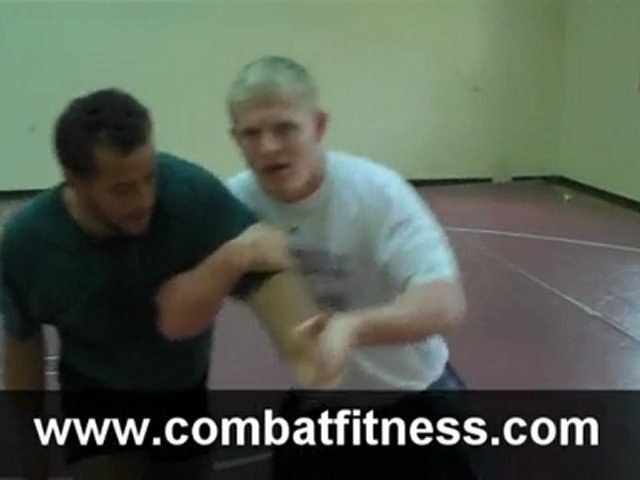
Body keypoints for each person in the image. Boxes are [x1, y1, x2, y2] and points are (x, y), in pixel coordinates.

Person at [0, 88, 337, 480]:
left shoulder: (188, 192)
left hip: (182, 393)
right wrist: (34, 468)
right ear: (74, 180)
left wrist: (301, 338)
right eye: (123, 188)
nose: (144, 199)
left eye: (149, 177)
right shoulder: (28, 245)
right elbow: (22, 351)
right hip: (97, 399)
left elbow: (263, 266)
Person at [222, 56, 483, 479]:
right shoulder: (234, 205)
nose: (268, 146)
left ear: (318, 125)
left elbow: (444, 304)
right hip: (320, 405)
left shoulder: (377, 193)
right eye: (252, 133)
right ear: (236, 138)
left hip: (414, 400)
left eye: (285, 128)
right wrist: (228, 263)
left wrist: (351, 328)